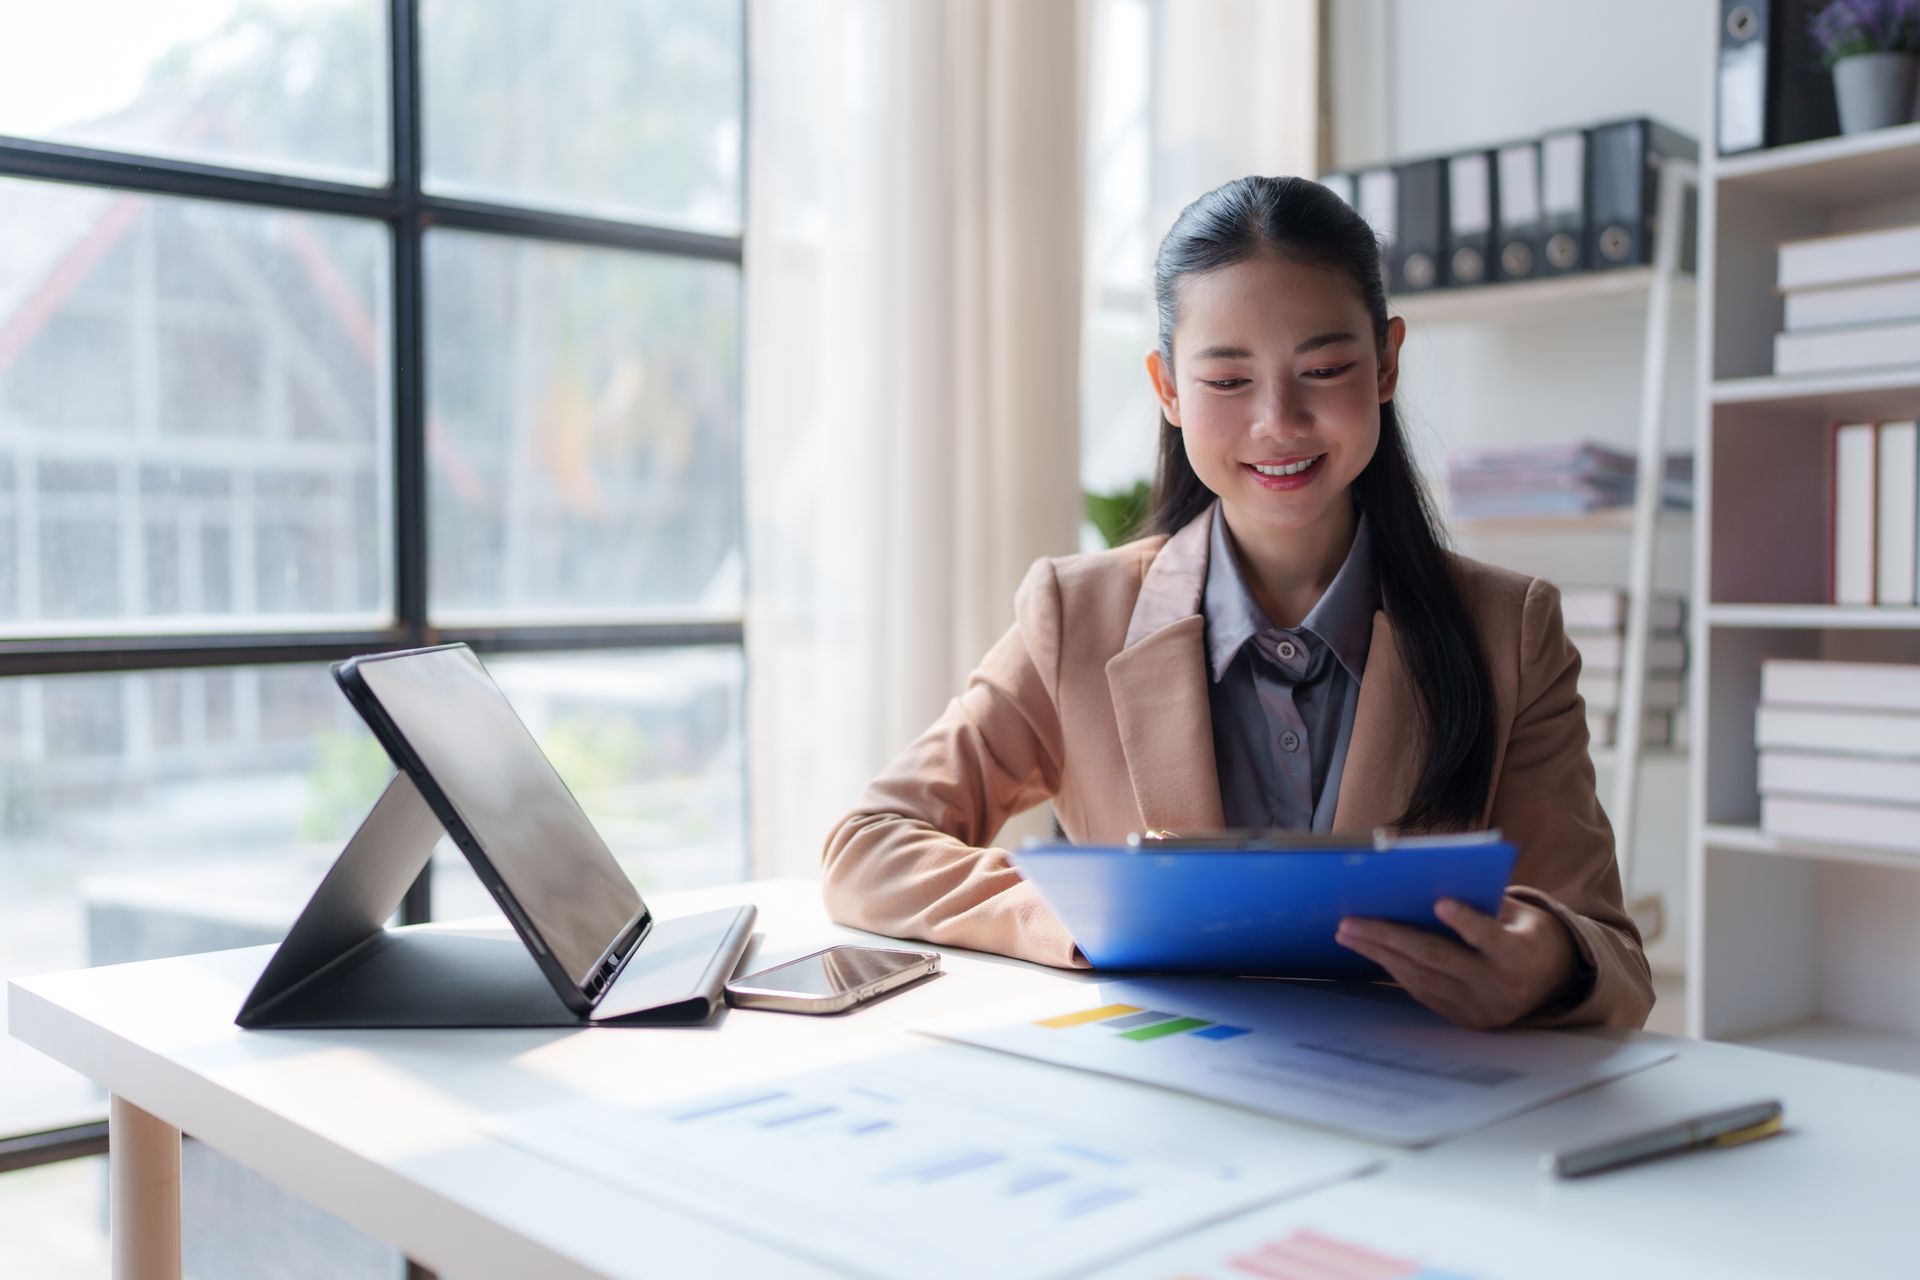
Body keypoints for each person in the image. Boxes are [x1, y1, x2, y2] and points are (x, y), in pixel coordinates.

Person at [819, 174, 1651, 1030]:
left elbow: (1612, 953)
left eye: (1324, 369)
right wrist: (1094, 912)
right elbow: (868, 847)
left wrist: (1547, 958)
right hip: (1169, 1109)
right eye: (1226, 381)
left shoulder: (1508, 631)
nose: (1278, 421)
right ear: (1169, 388)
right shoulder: (1076, 617)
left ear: (1388, 362)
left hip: (1416, 1111)